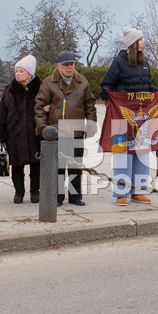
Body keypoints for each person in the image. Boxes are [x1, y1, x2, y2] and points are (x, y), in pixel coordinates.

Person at [101, 28, 158, 204]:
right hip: (122, 117)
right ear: (133, 43)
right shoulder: (119, 62)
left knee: (141, 154)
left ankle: (138, 191)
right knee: (122, 155)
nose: (143, 42)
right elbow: (107, 84)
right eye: (140, 39)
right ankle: (121, 192)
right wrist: (107, 96)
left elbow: (149, 87)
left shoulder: (145, 63)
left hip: (142, 118)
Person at [35, 51, 97, 206]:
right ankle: (57, 196)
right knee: (59, 166)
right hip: (57, 130)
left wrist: (91, 125)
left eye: (72, 64)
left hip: (76, 129)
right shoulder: (49, 83)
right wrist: (43, 129)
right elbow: (40, 107)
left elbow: (90, 105)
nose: (70, 68)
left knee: (75, 165)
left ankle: (75, 196)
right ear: (58, 66)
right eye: (66, 65)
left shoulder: (82, 82)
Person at [0, 55, 41, 204]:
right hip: (15, 134)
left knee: (36, 166)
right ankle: (19, 192)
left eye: (21, 71)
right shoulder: (9, 90)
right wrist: (0, 135)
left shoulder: (41, 88)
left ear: (30, 73)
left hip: (35, 134)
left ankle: (35, 192)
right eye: (16, 71)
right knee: (17, 166)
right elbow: (2, 114)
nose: (18, 74)